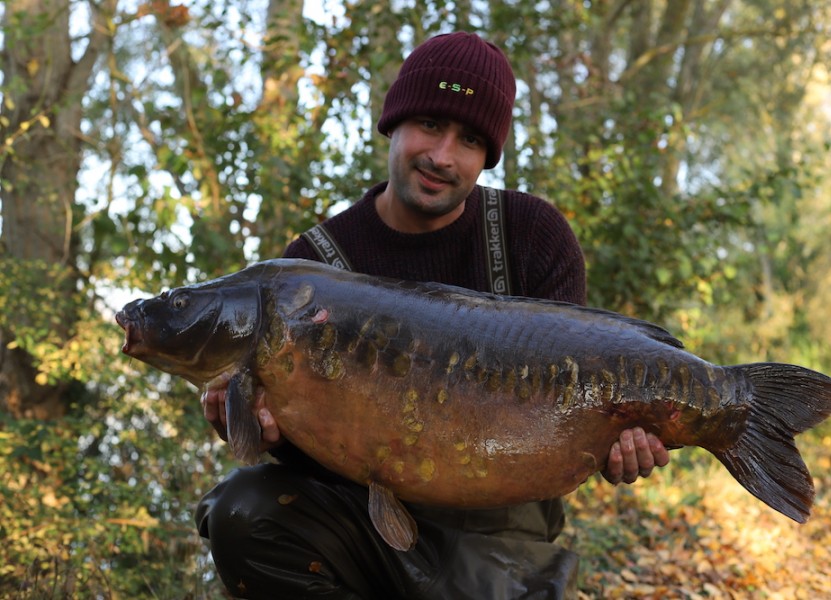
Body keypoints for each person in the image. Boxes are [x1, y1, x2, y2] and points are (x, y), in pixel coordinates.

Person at [196, 31, 669, 599]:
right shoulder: (311, 268)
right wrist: (260, 428)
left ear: (486, 156)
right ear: (393, 122)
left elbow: (574, 404)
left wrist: (615, 441)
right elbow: (300, 449)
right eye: (428, 125)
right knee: (243, 511)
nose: (442, 156)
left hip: (500, 534)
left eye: (468, 139)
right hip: (358, 526)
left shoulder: (532, 237)